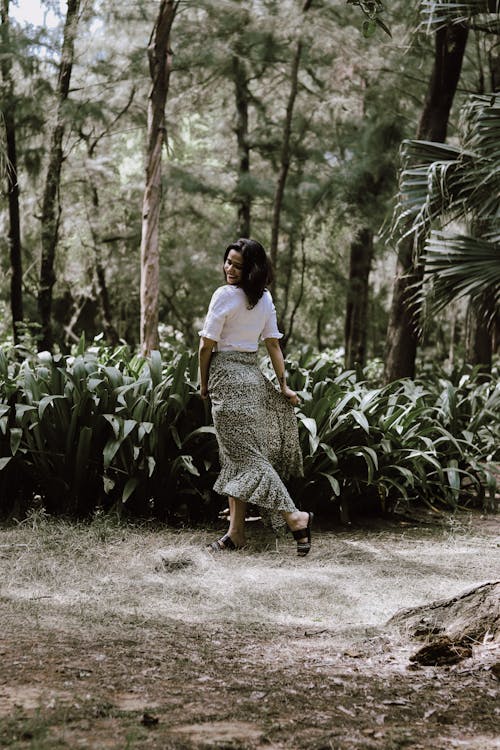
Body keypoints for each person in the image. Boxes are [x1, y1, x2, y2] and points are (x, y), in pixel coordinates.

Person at [198, 237, 313, 556]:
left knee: (247, 459)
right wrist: (283, 385)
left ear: (251, 270)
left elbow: (206, 345)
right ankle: (235, 534)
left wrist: (203, 383)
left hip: (227, 380)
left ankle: (295, 516)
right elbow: (273, 344)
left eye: (238, 265)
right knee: (235, 457)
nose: (229, 269)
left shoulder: (223, 295)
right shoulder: (264, 299)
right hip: (253, 378)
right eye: (228, 261)